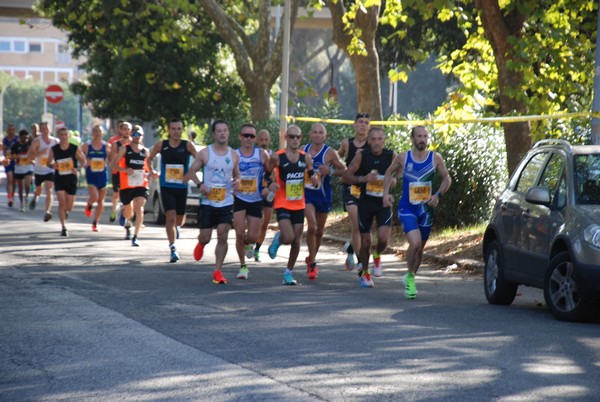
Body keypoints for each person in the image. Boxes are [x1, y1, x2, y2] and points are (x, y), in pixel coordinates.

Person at [383, 125, 451, 299]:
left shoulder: (435, 158)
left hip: (426, 209)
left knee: (420, 248)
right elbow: (389, 172)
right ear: (412, 139)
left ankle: (411, 275)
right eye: (419, 136)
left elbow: (446, 179)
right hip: (407, 207)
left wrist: (437, 195)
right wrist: (386, 194)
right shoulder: (403, 158)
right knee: (414, 243)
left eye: (425, 136)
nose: (422, 139)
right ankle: (410, 278)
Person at [184, 119, 240, 284]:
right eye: (219, 131)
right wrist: (200, 184)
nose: (222, 133)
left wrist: (237, 181)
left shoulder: (234, 154)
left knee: (223, 235)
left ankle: (217, 270)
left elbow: (237, 174)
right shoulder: (205, 153)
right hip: (208, 202)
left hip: (226, 200)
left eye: (225, 130)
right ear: (214, 134)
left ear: (228, 133)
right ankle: (201, 243)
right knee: (206, 237)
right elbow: (192, 171)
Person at [342, 127, 396, 288]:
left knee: (384, 239)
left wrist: (393, 181)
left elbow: (397, 175)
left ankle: (377, 255)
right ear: (368, 140)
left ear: (384, 141)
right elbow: (346, 176)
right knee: (365, 242)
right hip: (365, 202)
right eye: (373, 139)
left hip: (383, 203)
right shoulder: (361, 155)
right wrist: (363, 178)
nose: (376, 142)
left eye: (380, 139)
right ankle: (365, 273)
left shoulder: (390, 155)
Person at [267, 125, 319, 285]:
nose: (295, 139)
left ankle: (288, 272)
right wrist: (270, 185)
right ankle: (279, 238)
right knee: (288, 237)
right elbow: (266, 174)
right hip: (282, 202)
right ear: (286, 138)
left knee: (296, 240)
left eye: (298, 137)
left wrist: (315, 179)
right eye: (291, 137)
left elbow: (311, 174)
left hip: (299, 203)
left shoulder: (306, 158)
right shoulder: (277, 157)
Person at [148, 118, 198, 262]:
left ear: (182, 130)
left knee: (180, 219)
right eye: (173, 129)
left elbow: (199, 159)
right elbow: (148, 158)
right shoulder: (161, 145)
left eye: (179, 129)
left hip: (181, 187)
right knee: (170, 216)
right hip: (166, 186)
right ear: (169, 130)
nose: (176, 132)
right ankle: (172, 248)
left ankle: (177, 227)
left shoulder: (187, 145)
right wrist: (152, 171)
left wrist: (190, 173)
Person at [302, 123, 347, 279]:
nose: (317, 135)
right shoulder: (303, 149)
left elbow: (344, 170)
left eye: (320, 132)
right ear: (310, 134)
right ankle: (313, 263)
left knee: (319, 231)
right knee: (312, 226)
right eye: (314, 132)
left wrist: (331, 171)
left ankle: (311, 257)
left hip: (323, 194)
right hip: (306, 194)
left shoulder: (330, 153)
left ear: (325, 136)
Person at [232, 123, 270, 279]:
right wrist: (232, 182)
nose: (248, 138)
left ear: (255, 139)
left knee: (253, 236)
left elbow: (271, 173)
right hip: (238, 197)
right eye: (245, 135)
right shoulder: (234, 154)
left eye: (251, 136)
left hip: (255, 199)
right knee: (239, 233)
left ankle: (249, 243)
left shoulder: (261, 154)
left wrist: (267, 186)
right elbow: (225, 172)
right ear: (240, 137)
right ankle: (243, 267)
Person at [337, 113, 371, 271]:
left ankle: (351, 249)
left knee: (360, 226)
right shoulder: (347, 144)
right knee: (357, 224)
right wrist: (339, 169)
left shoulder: (372, 144)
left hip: (367, 189)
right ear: (354, 125)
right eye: (360, 122)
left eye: (366, 122)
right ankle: (359, 261)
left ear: (369, 126)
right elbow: (336, 159)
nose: (363, 125)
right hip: (350, 187)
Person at [110, 126, 151, 246]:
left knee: (139, 209)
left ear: (142, 136)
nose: (137, 137)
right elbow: (113, 165)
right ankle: (126, 215)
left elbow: (148, 168)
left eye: (139, 135)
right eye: (135, 135)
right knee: (129, 213)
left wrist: (152, 174)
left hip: (141, 185)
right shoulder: (124, 149)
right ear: (131, 135)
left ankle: (135, 236)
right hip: (126, 186)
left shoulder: (145, 151)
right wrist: (125, 170)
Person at [46, 127, 87, 236]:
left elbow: (84, 161)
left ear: (68, 136)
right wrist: (52, 165)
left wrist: (77, 169)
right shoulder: (54, 149)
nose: (63, 137)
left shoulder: (74, 148)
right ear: (59, 136)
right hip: (59, 178)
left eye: (65, 135)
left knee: (69, 206)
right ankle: (63, 227)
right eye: (61, 135)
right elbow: (48, 162)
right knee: (62, 202)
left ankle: (66, 212)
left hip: (71, 179)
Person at [81, 125, 111, 232]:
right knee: (94, 197)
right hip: (91, 176)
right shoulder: (86, 146)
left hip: (102, 176)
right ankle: (89, 204)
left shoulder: (107, 146)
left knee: (100, 201)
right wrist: (85, 162)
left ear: (103, 133)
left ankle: (95, 222)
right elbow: (79, 157)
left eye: (99, 131)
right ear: (92, 133)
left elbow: (111, 159)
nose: (97, 133)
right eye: (95, 131)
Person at [28, 122, 58, 221]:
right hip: (39, 170)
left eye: (47, 129)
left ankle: (47, 211)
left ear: (50, 129)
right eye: (43, 129)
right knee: (39, 190)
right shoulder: (37, 141)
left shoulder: (55, 141)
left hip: (50, 169)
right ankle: (35, 197)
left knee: (49, 190)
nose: (45, 131)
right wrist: (40, 152)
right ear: (40, 130)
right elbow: (29, 156)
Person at [253, 128, 274, 262]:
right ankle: (248, 241)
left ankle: (257, 249)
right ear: (256, 140)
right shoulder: (252, 154)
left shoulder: (274, 155)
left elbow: (276, 174)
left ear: (270, 141)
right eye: (261, 139)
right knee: (254, 222)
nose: (264, 142)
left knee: (265, 222)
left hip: (268, 192)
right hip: (254, 192)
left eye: (266, 140)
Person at [107, 121, 132, 222]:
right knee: (117, 194)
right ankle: (114, 210)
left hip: (130, 173)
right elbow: (111, 160)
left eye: (128, 129)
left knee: (128, 196)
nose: (126, 131)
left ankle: (125, 214)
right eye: (124, 129)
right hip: (118, 173)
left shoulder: (134, 143)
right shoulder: (115, 144)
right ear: (121, 130)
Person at [11, 129, 33, 211]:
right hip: (19, 168)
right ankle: (21, 204)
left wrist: (32, 158)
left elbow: (34, 153)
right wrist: (16, 157)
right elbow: (10, 156)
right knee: (20, 187)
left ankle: (27, 196)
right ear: (19, 137)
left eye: (27, 137)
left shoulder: (30, 144)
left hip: (28, 167)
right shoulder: (15, 145)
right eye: (23, 137)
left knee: (27, 184)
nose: (25, 139)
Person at [2, 123, 18, 207]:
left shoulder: (17, 139)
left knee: (14, 181)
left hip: (16, 162)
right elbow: (3, 148)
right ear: (7, 130)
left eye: (12, 129)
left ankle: (12, 194)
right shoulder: (5, 139)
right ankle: (9, 198)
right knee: (9, 179)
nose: (11, 131)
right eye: (9, 129)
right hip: (8, 161)